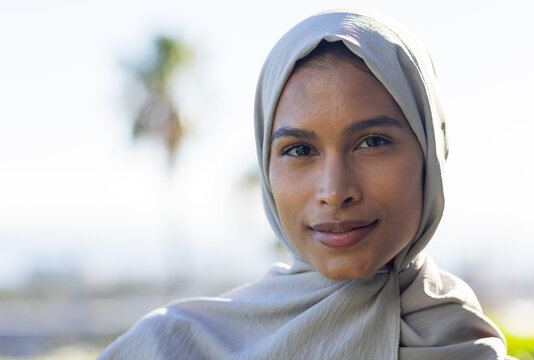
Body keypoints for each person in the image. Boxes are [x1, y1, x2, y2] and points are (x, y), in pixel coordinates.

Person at [98, 9, 511, 359]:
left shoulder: (459, 340)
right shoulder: (172, 346)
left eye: (372, 142)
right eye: (299, 150)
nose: (334, 190)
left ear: (430, 153)